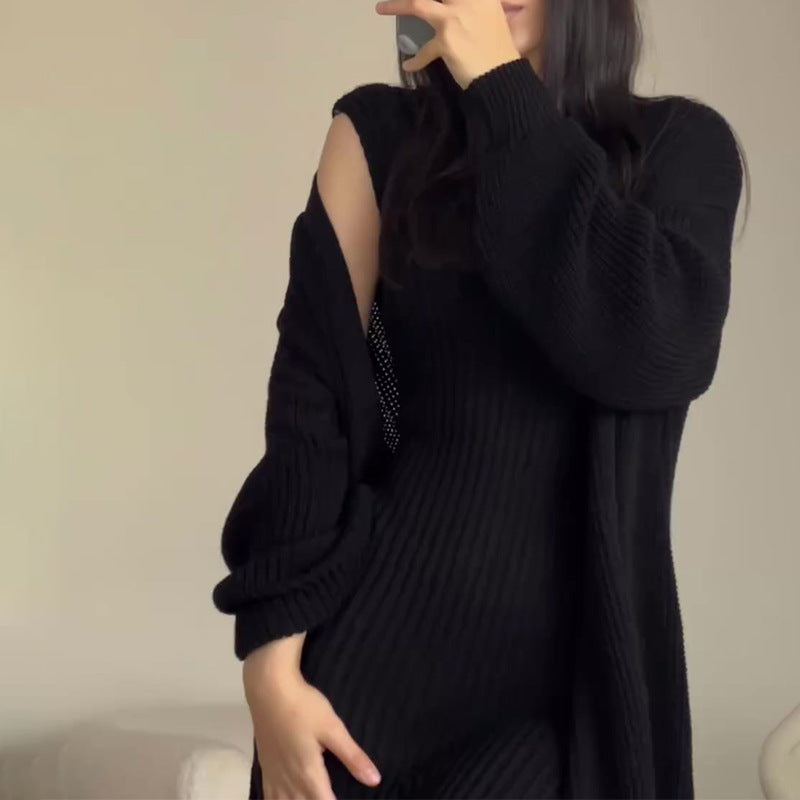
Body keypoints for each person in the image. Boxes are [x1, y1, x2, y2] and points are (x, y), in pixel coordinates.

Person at [212, 1, 750, 797]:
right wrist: (270, 671)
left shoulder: (678, 147)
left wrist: (500, 84)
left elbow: (654, 352)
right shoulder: (377, 136)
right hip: (368, 689)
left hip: (578, 705)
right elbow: (310, 408)